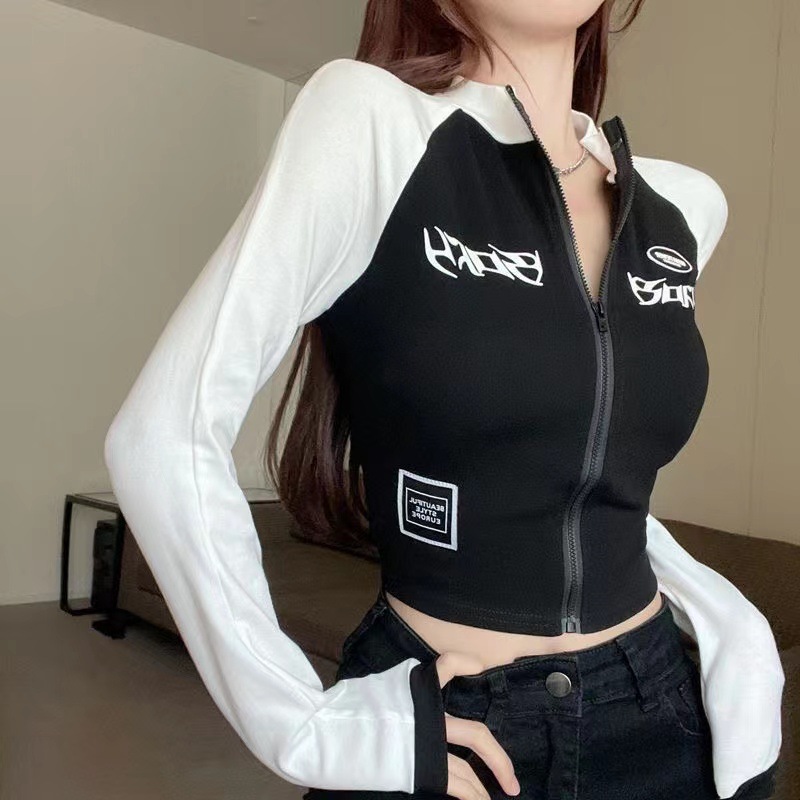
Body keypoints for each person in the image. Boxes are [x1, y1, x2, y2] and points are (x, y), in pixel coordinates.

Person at [103, 1, 785, 799]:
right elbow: (162, 437)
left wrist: (728, 625)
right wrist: (298, 725)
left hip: (661, 716)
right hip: (451, 722)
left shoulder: (684, 206)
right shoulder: (373, 126)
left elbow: (587, 478)